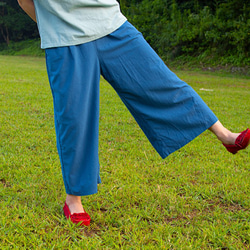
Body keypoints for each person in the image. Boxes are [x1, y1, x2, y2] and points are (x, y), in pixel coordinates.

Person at [17, 0, 249, 227]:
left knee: (161, 82)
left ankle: (226, 135)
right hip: (64, 39)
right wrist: (54, 26)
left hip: (112, 26)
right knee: (74, 118)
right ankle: (73, 200)